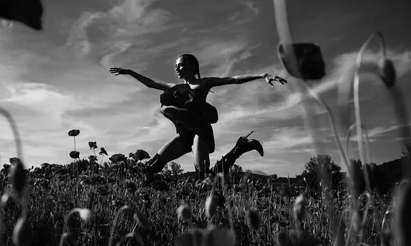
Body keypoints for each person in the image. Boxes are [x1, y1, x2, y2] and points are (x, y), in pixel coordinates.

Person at [109, 53, 286, 183]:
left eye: (180, 64)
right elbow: (150, 83)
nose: (177, 68)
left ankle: (239, 150)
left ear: (192, 66)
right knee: (151, 167)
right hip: (184, 134)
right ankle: (240, 147)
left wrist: (262, 75)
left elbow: (234, 79)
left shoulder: (204, 83)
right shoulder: (175, 87)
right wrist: (130, 72)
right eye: (176, 66)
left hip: (200, 131)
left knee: (203, 179)